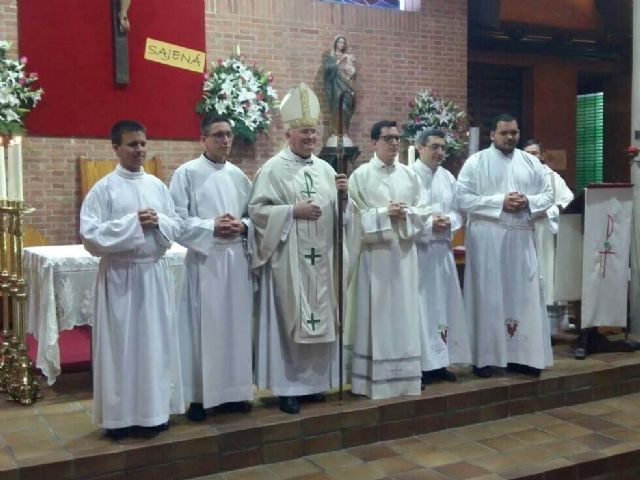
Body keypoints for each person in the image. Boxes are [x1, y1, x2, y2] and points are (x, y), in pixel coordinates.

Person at [79, 120, 184, 439]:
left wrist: (158, 222)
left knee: (154, 344)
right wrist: (134, 224)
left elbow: (176, 225)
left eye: (142, 143)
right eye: (132, 144)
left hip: (152, 274)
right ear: (116, 148)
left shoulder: (156, 186)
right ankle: (119, 418)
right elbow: (90, 236)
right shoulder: (103, 189)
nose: (139, 149)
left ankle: (154, 413)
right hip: (120, 277)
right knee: (120, 349)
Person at [249, 82, 349, 414]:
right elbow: (258, 212)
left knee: (322, 316)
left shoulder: (326, 170)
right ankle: (288, 388)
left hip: (321, 261)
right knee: (288, 321)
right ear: (290, 134)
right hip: (288, 261)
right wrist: (293, 211)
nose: (310, 137)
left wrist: (344, 198)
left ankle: (314, 385)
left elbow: (340, 220)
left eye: (314, 131)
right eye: (304, 131)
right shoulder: (273, 169)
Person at [169, 114, 253, 422]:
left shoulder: (239, 176)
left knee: (237, 327)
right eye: (218, 135)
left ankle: (236, 393)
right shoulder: (187, 173)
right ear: (203, 139)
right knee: (204, 330)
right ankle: (202, 398)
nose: (226, 140)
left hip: (236, 259)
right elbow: (176, 221)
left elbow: (253, 216)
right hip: (205, 260)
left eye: (229, 134)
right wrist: (211, 226)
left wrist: (242, 226)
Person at [457, 113, 554, 379]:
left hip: (521, 239)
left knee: (524, 296)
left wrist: (527, 201)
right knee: (489, 297)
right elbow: (463, 198)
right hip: (489, 240)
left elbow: (548, 195)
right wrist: (500, 201)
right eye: (504, 133)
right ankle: (485, 358)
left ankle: (523, 357)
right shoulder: (475, 163)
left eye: (514, 132)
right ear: (492, 135)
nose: (510, 137)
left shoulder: (531, 162)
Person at [346, 120, 431, 399]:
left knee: (404, 314)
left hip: (404, 255)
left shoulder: (410, 176)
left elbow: (425, 212)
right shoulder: (360, 176)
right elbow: (354, 218)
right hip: (375, 257)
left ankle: (405, 379)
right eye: (388, 139)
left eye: (398, 138)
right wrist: (384, 214)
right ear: (374, 142)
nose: (395, 143)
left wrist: (405, 214)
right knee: (376, 314)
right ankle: (370, 380)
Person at [412, 129, 471, 387]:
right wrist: (428, 224)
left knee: (443, 308)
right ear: (419, 147)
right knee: (422, 309)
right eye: (434, 147)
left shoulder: (448, 177)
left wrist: (449, 222)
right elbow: (406, 213)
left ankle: (439, 362)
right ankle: (420, 365)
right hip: (419, 252)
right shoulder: (409, 176)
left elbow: (459, 213)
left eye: (442, 148)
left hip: (443, 251)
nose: (439, 152)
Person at [523, 139, 574, 335]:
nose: (531, 156)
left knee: (548, 275)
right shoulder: (516, 175)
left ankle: (549, 330)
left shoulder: (552, 177)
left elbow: (567, 199)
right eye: (527, 153)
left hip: (546, 234)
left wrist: (550, 211)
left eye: (534, 153)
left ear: (542, 155)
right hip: (524, 231)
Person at [323, 35, 356, 139]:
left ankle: (344, 132)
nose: (341, 45)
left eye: (343, 43)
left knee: (346, 109)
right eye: (339, 42)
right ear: (335, 43)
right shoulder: (331, 56)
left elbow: (352, 73)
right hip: (336, 87)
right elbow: (328, 70)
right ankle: (337, 132)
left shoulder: (347, 56)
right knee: (339, 108)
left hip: (347, 86)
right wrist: (338, 61)